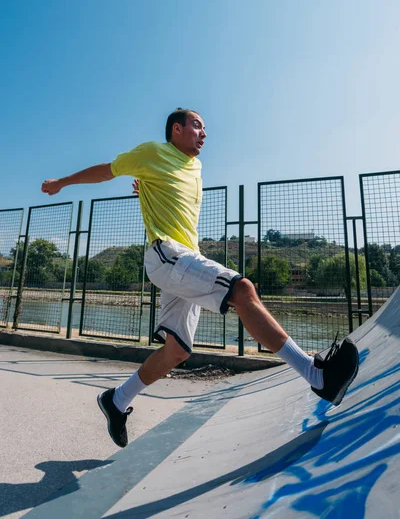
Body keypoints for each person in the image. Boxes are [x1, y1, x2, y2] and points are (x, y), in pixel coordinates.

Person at [41, 108, 359, 448]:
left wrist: (145, 190)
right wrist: (62, 182)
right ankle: (316, 375)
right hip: (168, 255)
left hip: (185, 261)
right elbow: (107, 171)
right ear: (176, 129)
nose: (203, 134)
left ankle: (116, 400)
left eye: (205, 128)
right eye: (196, 126)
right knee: (242, 289)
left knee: (176, 351)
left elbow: (164, 193)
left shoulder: (196, 167)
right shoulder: (153, 152)